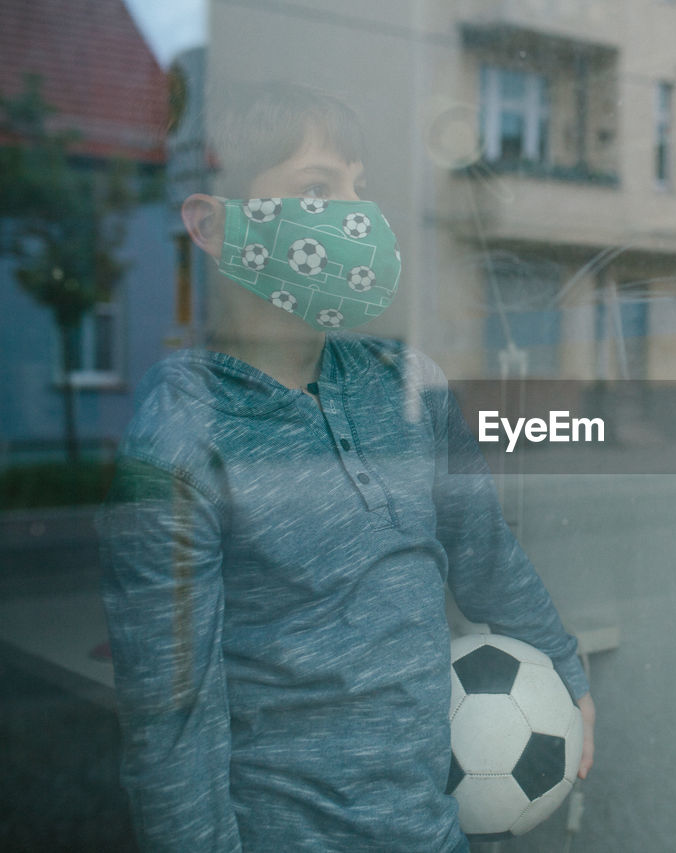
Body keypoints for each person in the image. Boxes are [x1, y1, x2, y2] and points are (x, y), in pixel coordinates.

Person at [98, 84, 594, 852]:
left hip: (435, 832)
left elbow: (485, 554)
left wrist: (568, 668)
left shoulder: (411, 386)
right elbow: (174, 725)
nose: (357, 219)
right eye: (318, 191)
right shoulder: (178, 438)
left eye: (360, 191)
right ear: (211, 224)